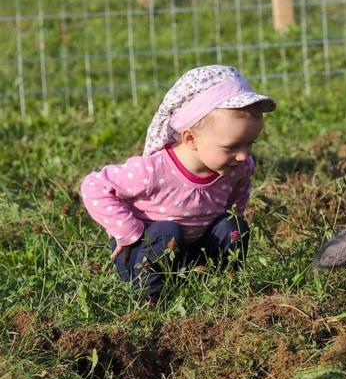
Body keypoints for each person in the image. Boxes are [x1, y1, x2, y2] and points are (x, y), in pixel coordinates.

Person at [80, 65, 276, 300]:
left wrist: (234, 218)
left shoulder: (237, 167)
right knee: (167, 229)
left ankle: (222, 286)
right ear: (191, 139)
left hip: (194, 252)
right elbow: (94, 186)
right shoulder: (152, 170)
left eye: (250, 143)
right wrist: (127, 231)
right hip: (143, 254)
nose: (244, 155)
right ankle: (149, 296)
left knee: (233, 226)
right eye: (232, 147)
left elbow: (238, 195)